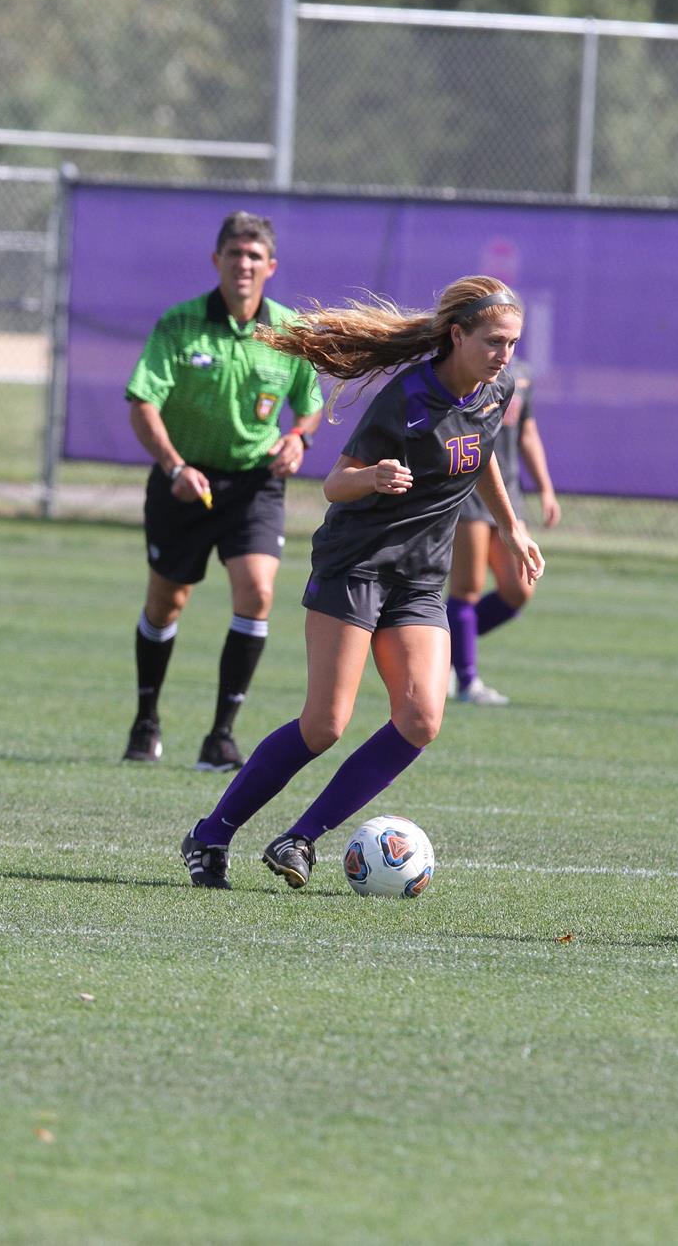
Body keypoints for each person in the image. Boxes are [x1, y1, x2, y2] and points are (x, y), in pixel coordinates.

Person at [177, 276, 544, 890]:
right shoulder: (407, 398)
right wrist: (372, 476)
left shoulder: (495, 389)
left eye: (512, 344)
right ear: (457, 336)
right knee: (324, 725)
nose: (505, 356)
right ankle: (210, 834)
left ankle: (299, 838)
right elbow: (334, 484)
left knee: (422, 718)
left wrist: (512, 527)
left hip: (422, 578)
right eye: (494, 342)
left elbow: (479, 453)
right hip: (357, 566)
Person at [121, 212, 323, 771]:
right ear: (217, 261)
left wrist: (298, 440)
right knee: (166, 602)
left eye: (255, 256)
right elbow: (142, 400)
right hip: (185, 482)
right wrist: (173, 466)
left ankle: (221, 735)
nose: (244, 264)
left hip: (254, 484)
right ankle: (146, 720)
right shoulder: (179, 325)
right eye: (234, 253)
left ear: (271, 267)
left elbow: (311, 403)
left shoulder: (288, 330)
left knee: (258, 592)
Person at [446, 370, 560, 706]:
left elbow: (527, 432)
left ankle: (444, 650)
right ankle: (467, 682)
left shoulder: (520, 376)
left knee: (519, 589)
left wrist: (546, 488)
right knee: (467, 587)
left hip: (508, 496)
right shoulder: (461, 371)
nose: (504, 347)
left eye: (510, 338)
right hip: (468, 492)